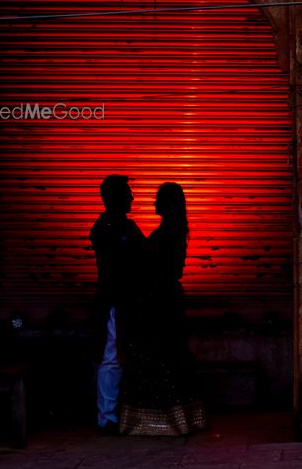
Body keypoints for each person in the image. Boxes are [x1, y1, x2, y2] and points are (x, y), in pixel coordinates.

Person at [119, 182, 207, 436]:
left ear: (168, 203)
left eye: (158, 199)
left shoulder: (168, 232)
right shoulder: (175, 229)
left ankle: (163, 421)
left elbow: (158, 267)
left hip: (159, 303)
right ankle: (181, 418)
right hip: (165, 301)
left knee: (159, 357)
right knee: (170, 356)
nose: (154, 203)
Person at [90, 174, 144, 435]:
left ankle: (116, 413)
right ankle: (107, 417)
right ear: (113, 198)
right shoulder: (107, 229)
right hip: (115, 303)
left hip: (126, 302)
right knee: (111, 357)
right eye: (127, 193)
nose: (132, 198)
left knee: (118, 357)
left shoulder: (124, 227)